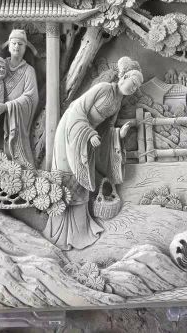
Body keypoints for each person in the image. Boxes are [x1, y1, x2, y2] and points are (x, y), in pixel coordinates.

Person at [43, 56, 144, 250]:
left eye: (136, 87)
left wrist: (118, 134)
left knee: (82, 179)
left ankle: (79, 230)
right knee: (67, 176)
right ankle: (58, 232)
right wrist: (88, 133)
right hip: (72, 131)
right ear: (123, 77)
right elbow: (77, 110)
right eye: (133, 83)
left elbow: (106, 128)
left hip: (88, 139)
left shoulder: (118, 102)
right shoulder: (104, 88)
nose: (133, 89)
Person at [0, 29, 39, 166]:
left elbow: (31, 97)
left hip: (15, 119)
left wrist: (7, 106)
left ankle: (17, 164)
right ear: (9, 45)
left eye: (20, 44)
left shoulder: (29, 71)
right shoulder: (1, 65)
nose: (16, 46)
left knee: (15, 154)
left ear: (25, 48)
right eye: (13, 43)